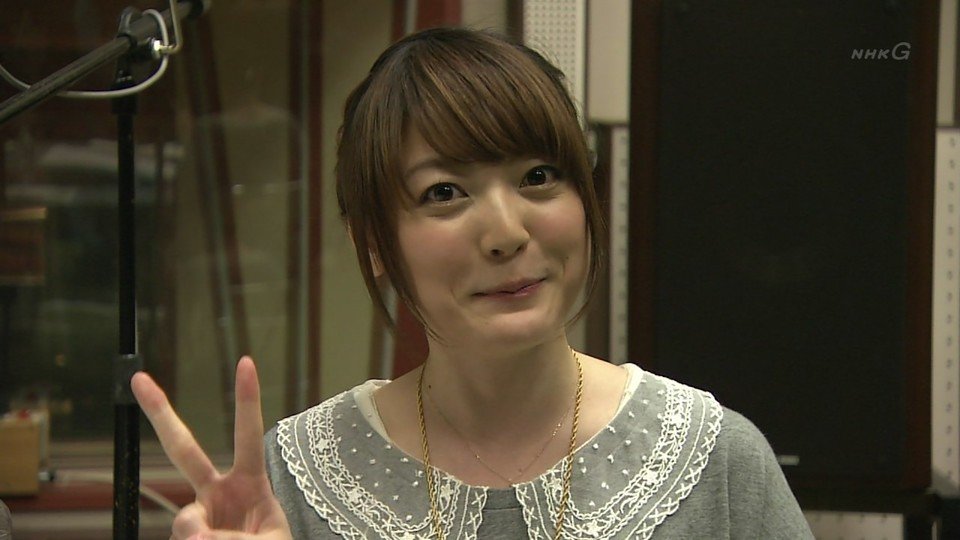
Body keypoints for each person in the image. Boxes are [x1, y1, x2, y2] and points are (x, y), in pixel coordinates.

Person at [132, 27, 814, 539]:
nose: (506, 233)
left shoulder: (715, 461)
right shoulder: (291, 484)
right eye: (445, 192)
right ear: (372, 242)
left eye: (539, 177)